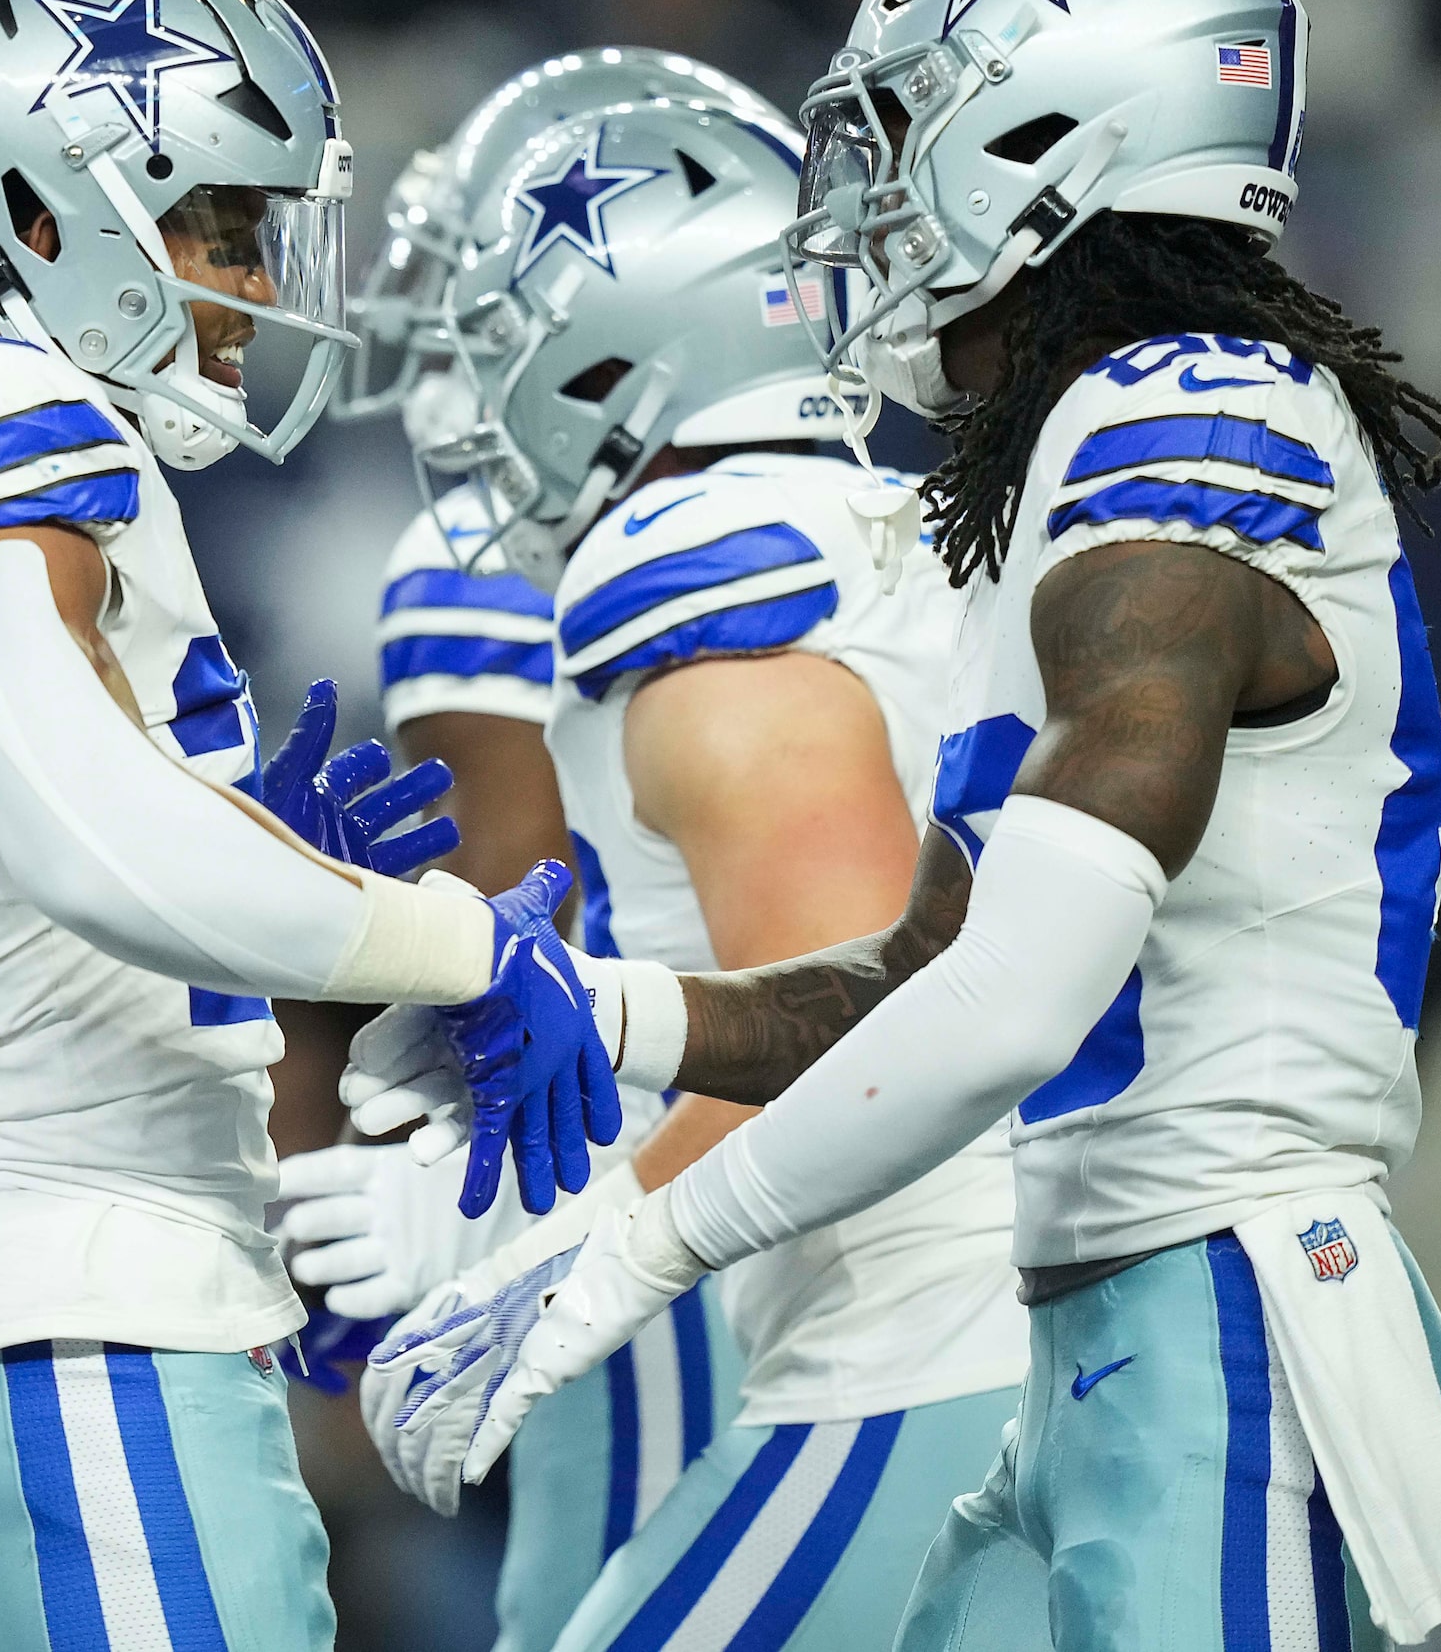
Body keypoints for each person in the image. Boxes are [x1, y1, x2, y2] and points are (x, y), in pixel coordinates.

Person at [363, 0, 1441, 1650]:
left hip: (1226, 1320)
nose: (856, 202)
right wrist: (614, 1018)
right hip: (1089, 1327)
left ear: (1048, 138)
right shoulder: (1078, 449)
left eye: (899, 136)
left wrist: (628, 1251)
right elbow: (911, 966)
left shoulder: (1187, 424)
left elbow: (1010, 1003)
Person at [0, 0, 603, 1652]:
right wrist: (456, 942)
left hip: (13, 1275)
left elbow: (45, 828)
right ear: (30, 211)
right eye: (215, 220)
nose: (252, 283)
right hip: (58, 1288)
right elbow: (84, 833)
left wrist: (250, 855)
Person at [348, 90, 1031, 1649]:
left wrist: (575, 1252)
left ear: (619, 351)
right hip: (992, 1325)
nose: (470, 403)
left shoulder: (717, 621)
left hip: (919, 1341)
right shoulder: (873, 534)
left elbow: (847, 1025)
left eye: (503, 342)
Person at [283, 49, 778, 1652]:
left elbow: (518, 934)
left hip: (644, 1178)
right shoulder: (864, 534)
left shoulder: (490, 553)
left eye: (489, 305)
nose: (446, 367)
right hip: (827, 1159)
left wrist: (470, 1197)